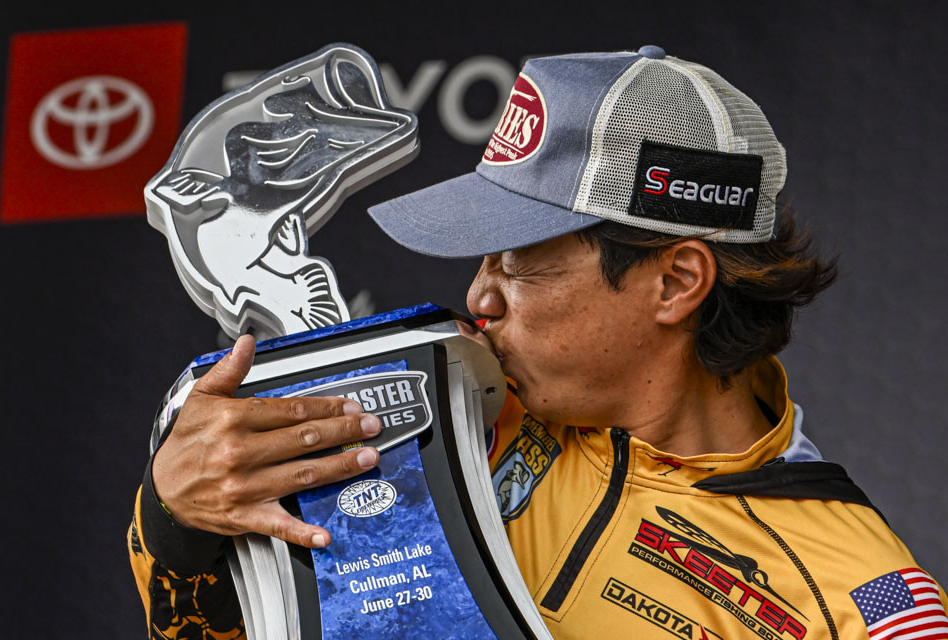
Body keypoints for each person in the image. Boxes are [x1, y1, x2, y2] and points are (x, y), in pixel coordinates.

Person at [130, 46, 948, 639]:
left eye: (520, 263)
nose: (478, 298)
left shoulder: (859, 605)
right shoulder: (443, 412)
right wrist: (177, 523)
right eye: (484, 257)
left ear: (675, 282)